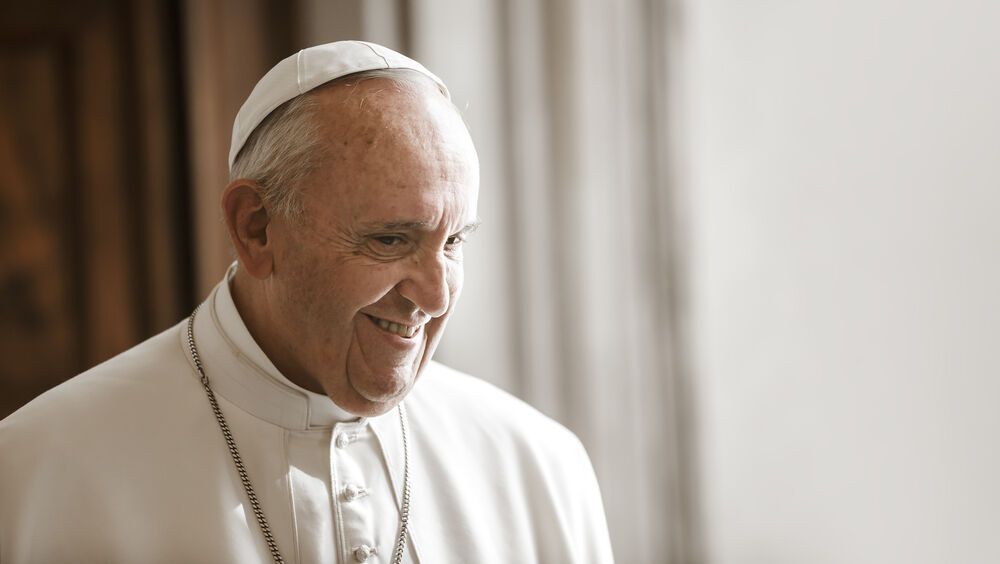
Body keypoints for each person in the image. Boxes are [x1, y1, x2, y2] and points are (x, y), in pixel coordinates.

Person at [0, 41, 614, 563]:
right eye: (391, 239)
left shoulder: (538, 466)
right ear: (257, 228)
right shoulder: (43, 470)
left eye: (453, 241)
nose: (436, 294)